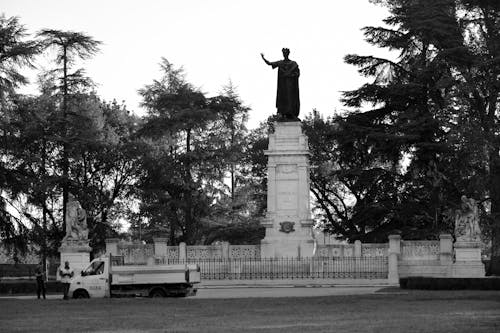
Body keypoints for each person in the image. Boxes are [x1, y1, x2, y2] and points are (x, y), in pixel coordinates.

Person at [261, 48, 300, 120]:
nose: (285, 54)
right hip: (283, 86)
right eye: (284, 53)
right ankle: (283, 114)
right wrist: (263, 58)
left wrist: (290, 75)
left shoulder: (293, 64)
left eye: (286, 53)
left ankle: (292, 114)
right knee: (282, 99)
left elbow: (297, 74)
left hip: (291, 86)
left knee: (291, 100)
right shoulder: (280, 63)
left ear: (288, 53)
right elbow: (270, 63)